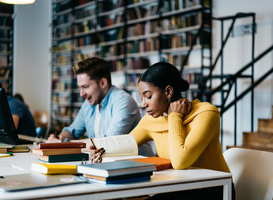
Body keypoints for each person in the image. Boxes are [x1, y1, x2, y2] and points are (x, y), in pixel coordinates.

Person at [127, 62, 235, 200]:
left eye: (148, 96)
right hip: (178, 187)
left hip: (213, 190)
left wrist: (174, 116)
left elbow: (179, 161)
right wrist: (92, 146)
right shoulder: (151, 120)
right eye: (141, 98)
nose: (143, 104)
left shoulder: (206, 113)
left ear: (168, 91)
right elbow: (124, 144)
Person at [47, 57, 154, 160]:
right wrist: (59, 139)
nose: (81, 94)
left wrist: (65, 144)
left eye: (85, 87)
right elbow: (72, 131)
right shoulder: (88, 104)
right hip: (106, 163)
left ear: (103, 83)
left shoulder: (123, 101)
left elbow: (108, 142)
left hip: (140, 166)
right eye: (80, 87)